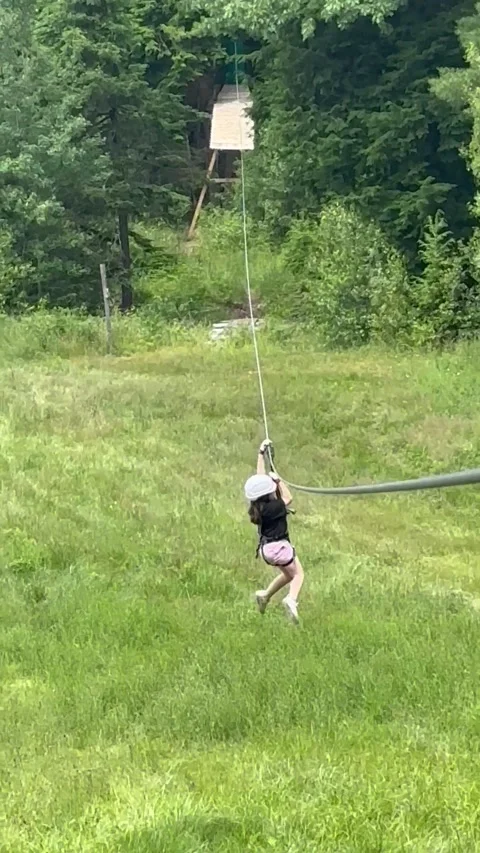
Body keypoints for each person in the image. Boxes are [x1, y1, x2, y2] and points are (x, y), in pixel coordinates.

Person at [245, 440, 304, 624]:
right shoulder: (275, 507)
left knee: (287, 574)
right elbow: (288, 497)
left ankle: (265, 596)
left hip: (266, 550)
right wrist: (278, 481)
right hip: (280, 547)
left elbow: (260, 478)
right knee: (298, 575)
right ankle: (291, 599)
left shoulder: (257, 507)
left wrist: (261, 453)